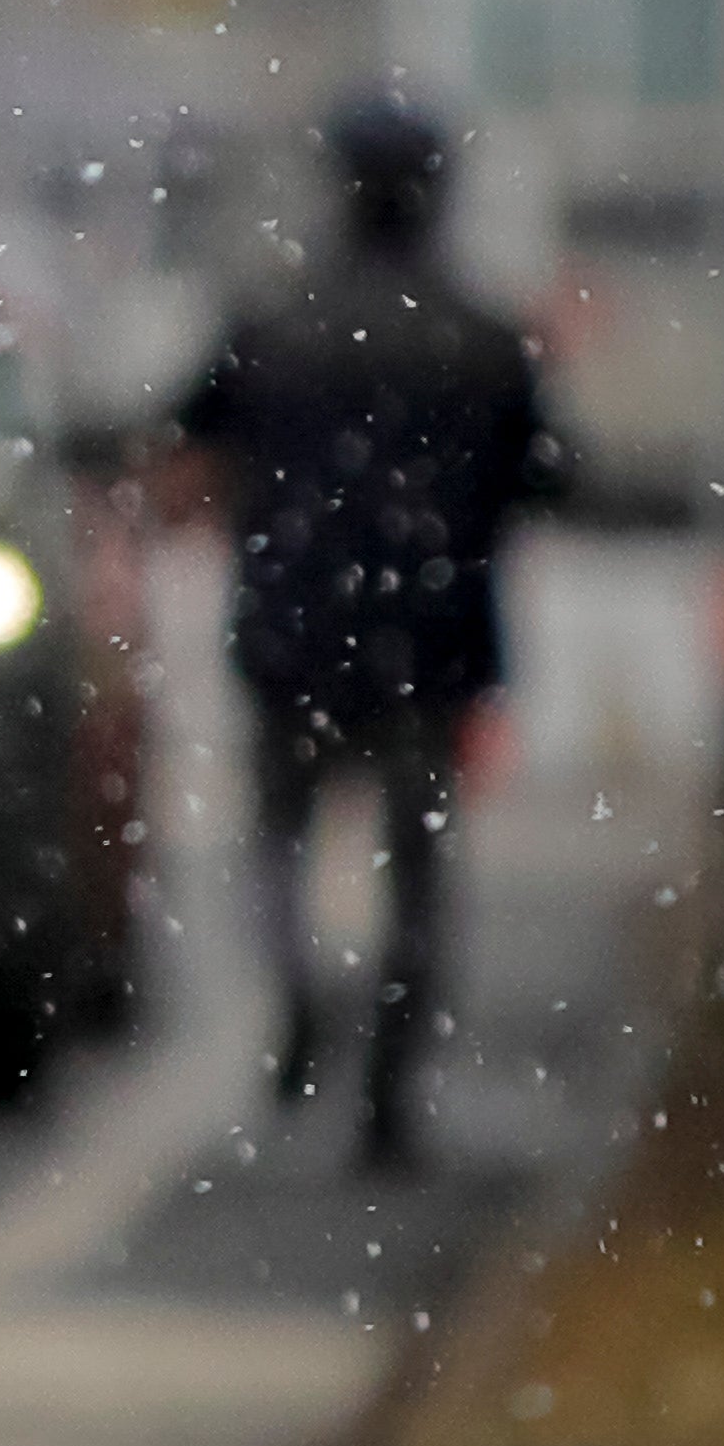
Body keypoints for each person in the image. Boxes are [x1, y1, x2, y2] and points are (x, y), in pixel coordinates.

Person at [172, 90, 567, 1174]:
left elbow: (184, 431)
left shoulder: (272, 323)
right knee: (417, 871)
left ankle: (296, 997)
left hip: (291, 633)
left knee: (275, 846)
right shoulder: (484, 339)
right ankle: (388, 1083)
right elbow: (547, 477)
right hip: (428, 643)